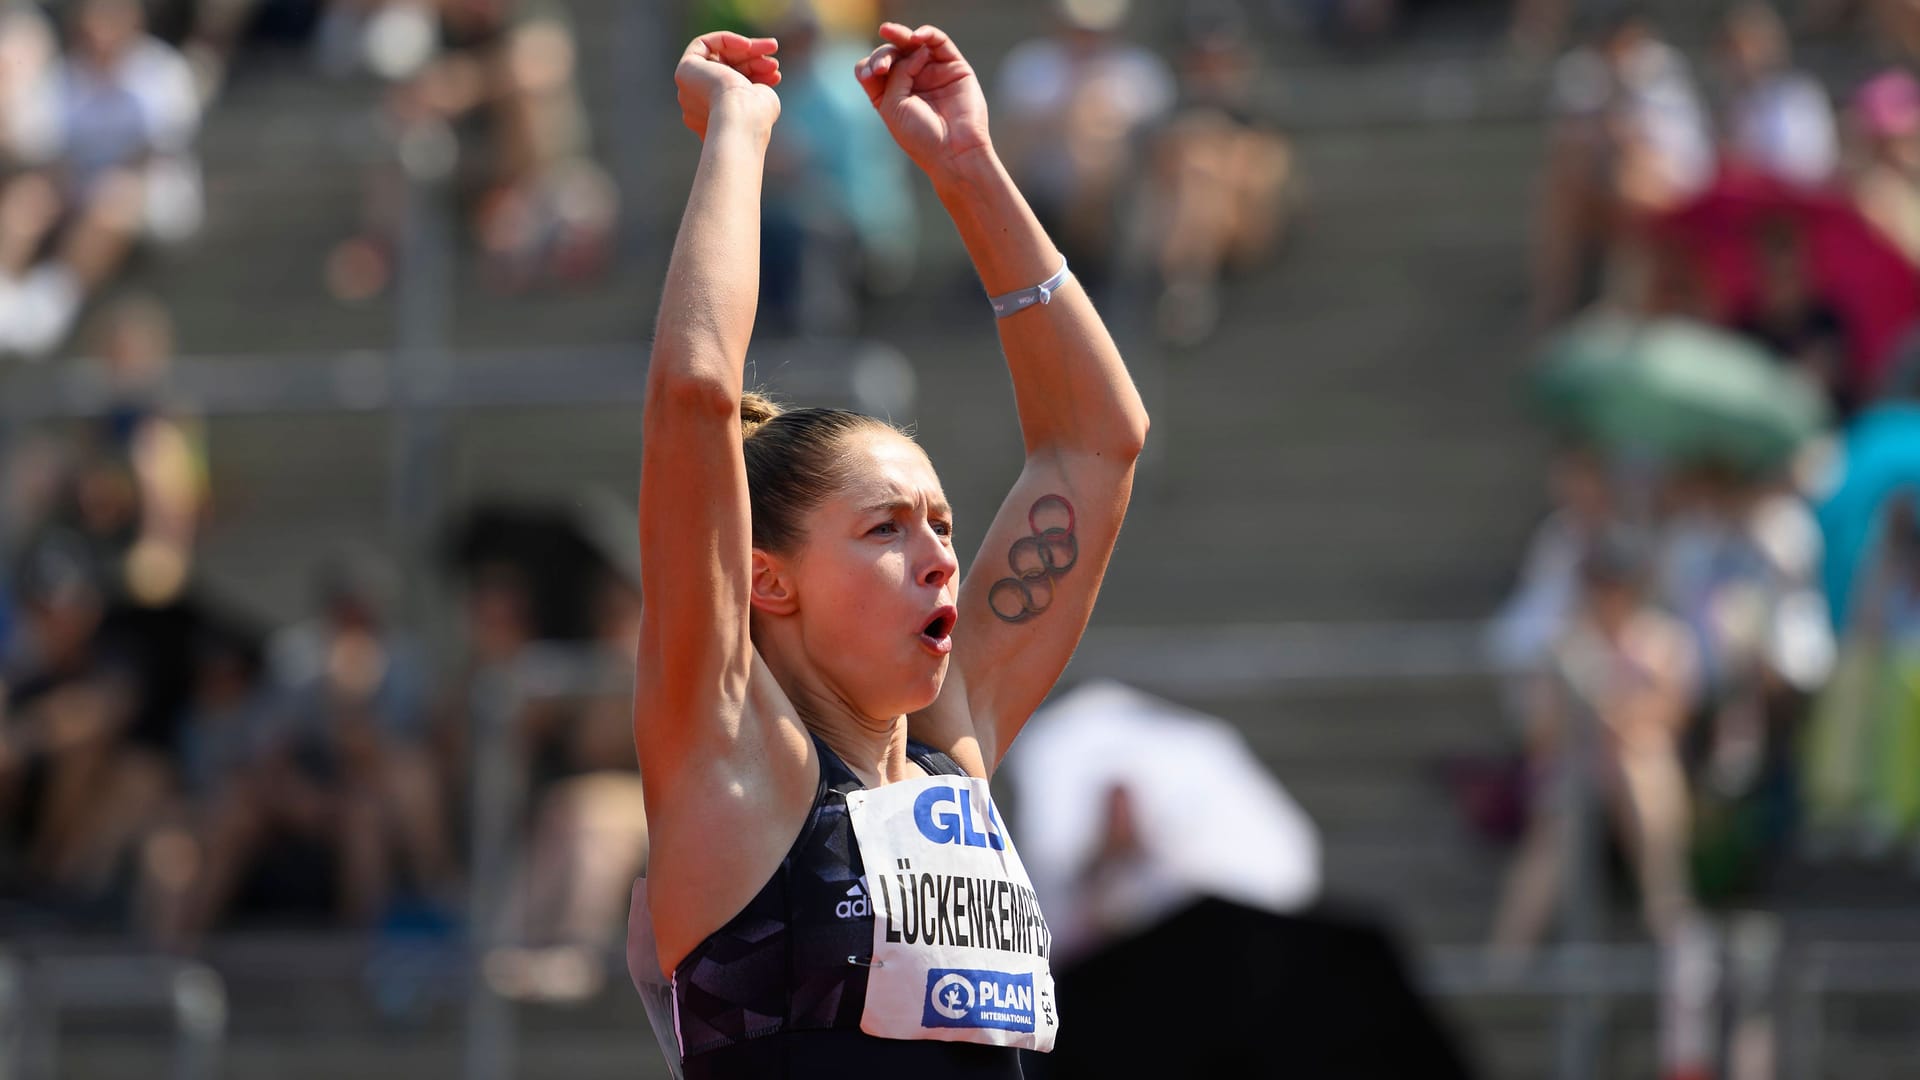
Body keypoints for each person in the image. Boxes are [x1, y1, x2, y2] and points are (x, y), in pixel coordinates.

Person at [632, 22, 1148, 1078]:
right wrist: (740, 127)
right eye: (885, 527)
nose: (939, 555)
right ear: (766, 579)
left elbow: (1097, 445)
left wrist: (967, 168)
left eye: (943, 526)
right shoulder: (731, 754)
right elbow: (694, 398)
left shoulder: (949, 754)